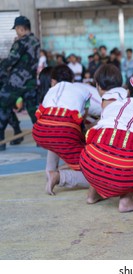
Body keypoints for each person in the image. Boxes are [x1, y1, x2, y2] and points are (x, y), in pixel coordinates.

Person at [80, 69, 133, 212]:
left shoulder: (112, 106)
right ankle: (126, 201)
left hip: (89, 165)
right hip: (124, 172)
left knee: (101, 143)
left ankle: (92, 195)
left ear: (127, 90)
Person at [32, 65, 91, 195]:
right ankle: (59, 177)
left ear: (53, 81)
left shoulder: (51, 91)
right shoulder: (84, 90)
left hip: (39, 131)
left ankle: (50, 171)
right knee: (93, 173)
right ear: (72, 79)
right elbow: (83, 119)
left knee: (53, 133)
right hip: (64, 133)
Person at [0, 16, 40, 151]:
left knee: (3, 105)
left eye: (16, 29)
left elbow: (11, 60)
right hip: (31, 82)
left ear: (20, 28)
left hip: (16, 82)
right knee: (33, 110)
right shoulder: (35, 41)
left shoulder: (20, 42)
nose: (16, 32)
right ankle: (41, 140)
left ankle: (1, 141)